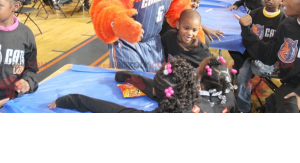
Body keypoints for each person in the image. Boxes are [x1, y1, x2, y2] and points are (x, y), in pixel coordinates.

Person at [48, 56, 213, 113]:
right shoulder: (203, 102)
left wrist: (71, 99)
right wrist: (125, 76)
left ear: (158, 92)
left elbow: (112, 110)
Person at [235, 0, 300, 113]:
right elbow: (268, 55)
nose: (285, 0)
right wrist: (247, 30)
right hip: (290, 84)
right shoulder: (287, 25)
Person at [0, 0, 39, 109]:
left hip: (14, 105)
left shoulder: (26, 34)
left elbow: (31, 69)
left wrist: (27, 82)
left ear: (15, 6)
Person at [160, 0, 225, 44]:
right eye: (192, 0)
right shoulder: (173, 21)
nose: (195, 5)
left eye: (198, 2)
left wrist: (204, 28)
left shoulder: (184, 17)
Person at [227, 0, 265, 72]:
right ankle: (242, 64)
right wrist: (236, 5)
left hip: (254, 33)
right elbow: (241, 1)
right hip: (246, 27)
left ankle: (243, 68)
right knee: (231, 45)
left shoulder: (260, 5)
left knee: (233, 44)